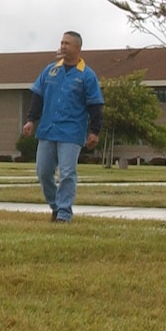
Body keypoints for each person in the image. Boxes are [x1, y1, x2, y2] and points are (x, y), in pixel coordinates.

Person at [20, 31, 103, 223]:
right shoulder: (50, 70)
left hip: (71, 132)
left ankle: (64, 213)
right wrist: (31, 120)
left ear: (77, 48)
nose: (63, 46)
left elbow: (95, 106)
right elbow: (37, 98)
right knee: (43, 172)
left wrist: (94, 131)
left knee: (67, 173)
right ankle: (55, 205)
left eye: (67, 43)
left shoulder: (87, 75)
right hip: (48, 130)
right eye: (61, 42)